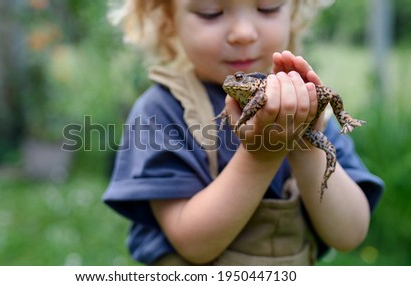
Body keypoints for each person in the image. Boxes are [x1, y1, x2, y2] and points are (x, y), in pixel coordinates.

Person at [102, 0, 384, 265]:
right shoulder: (161, 110)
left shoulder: (306, 109)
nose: (243, 34)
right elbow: (193, 245)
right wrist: (260, 157)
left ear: (294, 12)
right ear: (168, 19)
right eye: (211, 12)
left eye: (267, 7)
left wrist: (304, 141)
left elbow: (349, 234)